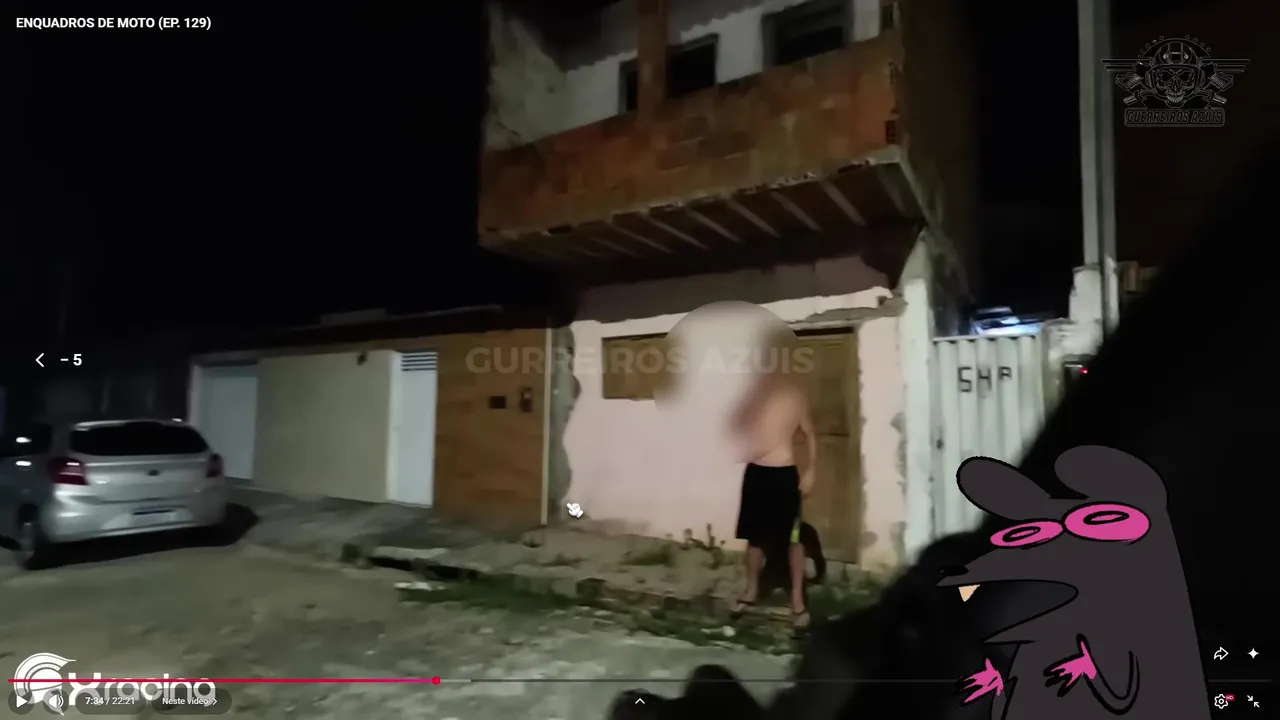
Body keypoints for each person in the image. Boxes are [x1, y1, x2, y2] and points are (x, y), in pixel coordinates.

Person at [728, 343, 817, 632]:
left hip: (784, 476)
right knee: (754, 538)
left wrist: (811, 470)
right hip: (756, 474)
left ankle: (797, 601)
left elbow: (810, 434)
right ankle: (751, 591)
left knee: (793, 539)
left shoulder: (794, 397)